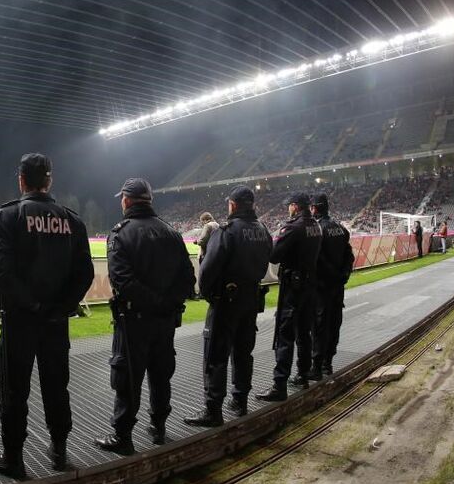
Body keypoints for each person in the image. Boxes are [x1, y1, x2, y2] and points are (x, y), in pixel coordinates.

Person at [0, 153, 94, 479]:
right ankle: (59, 451)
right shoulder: (72, 220)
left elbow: (0, 270)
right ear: (49, 181)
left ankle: (13, 458)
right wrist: (59, 308)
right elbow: (84, 274)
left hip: (21, 321)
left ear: (21, 180)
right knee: (57, 388)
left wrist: (31, 306)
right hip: (56, 324)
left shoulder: (9, 215)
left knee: (14, 391)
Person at [95, 178, 194, 452]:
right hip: (165, 321)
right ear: (149, 200)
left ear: (126, 200)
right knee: (161, 375)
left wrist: (152, 303)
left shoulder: (120, 233)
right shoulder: (172, 233)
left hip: (134, 321)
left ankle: (123, 437)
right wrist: (166, 304)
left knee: (127, 378)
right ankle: (159, 428)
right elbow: (188, 278)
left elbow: (122, 282)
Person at [184, 185, 272, 427]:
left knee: (216, 357)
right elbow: (268, 260)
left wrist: (213, 297)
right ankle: (240, 401)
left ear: (232, 205)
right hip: (251, 300)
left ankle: (213, 410)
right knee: (243, 353)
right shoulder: (263, 230)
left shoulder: (227, 231)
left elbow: (207, 272)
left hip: (227, 302)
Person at [257, 192, 322, 401]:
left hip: (293, 288)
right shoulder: (316, 226)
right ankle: (302, 375)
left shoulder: (292, 228)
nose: (288, 209)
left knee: (285, 335)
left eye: (290, 206)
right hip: (310, 285)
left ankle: (279, 386)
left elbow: (274, 256)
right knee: (304, 334)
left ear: (295, 206)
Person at [309, 193, 354, 380]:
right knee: (334, 323)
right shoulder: (341, 229)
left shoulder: (316, 229)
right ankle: (328, 363)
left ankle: (317, 367)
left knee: (319, 326)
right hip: (337, 287)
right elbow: (349, 257)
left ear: (314, 208)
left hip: (321, 287)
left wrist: (332, 276)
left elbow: (317, 259)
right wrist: (342, 276)